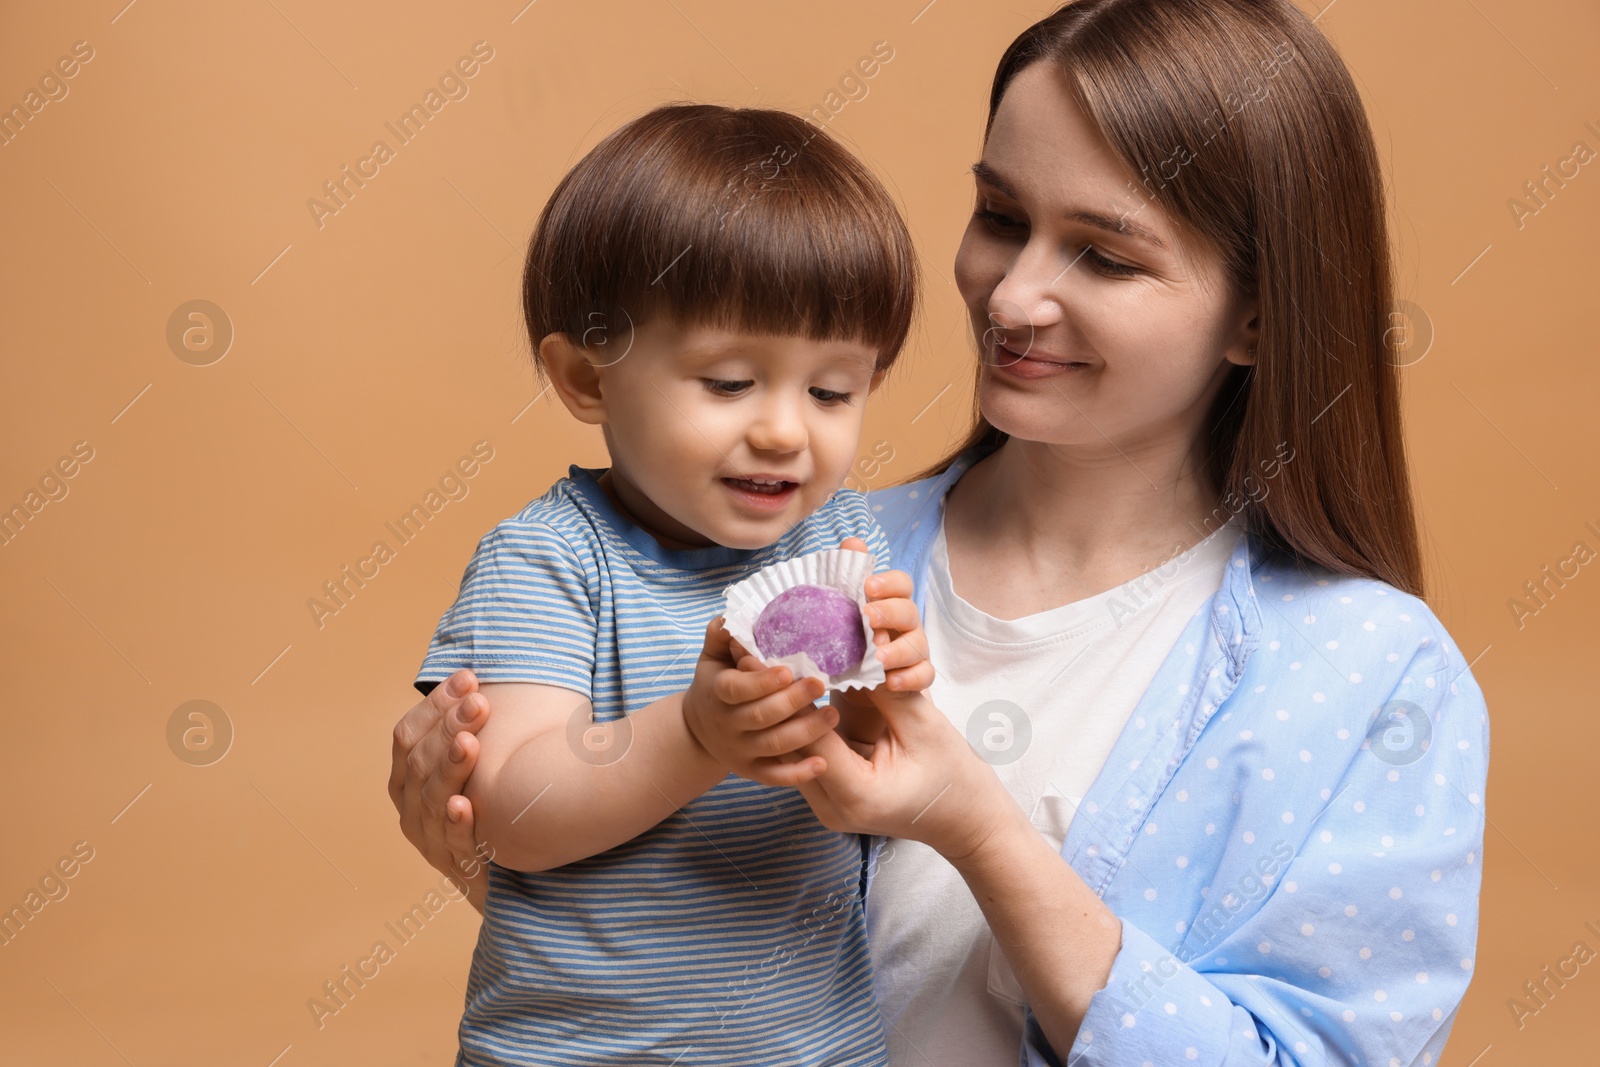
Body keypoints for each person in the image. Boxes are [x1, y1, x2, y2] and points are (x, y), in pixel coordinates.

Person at [391, 2, 1489, 1064]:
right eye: (1002, 218)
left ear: (1257, 312)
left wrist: (980, 826)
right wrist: (471, 841)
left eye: (1103, 256)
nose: (1011, 298)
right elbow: (663, 929)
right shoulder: (803, 555)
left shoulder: (1371, 678)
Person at [408, 101, 939, 1066]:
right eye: (731, 381)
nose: (785, 429)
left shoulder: (845, 537)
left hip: (819, 1046)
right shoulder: (550, 561)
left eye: (832, 391)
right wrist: (697, 734)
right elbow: (512, 812)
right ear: (587, 378)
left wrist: (886, 691)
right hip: (575, 1048)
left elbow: (875, 785)